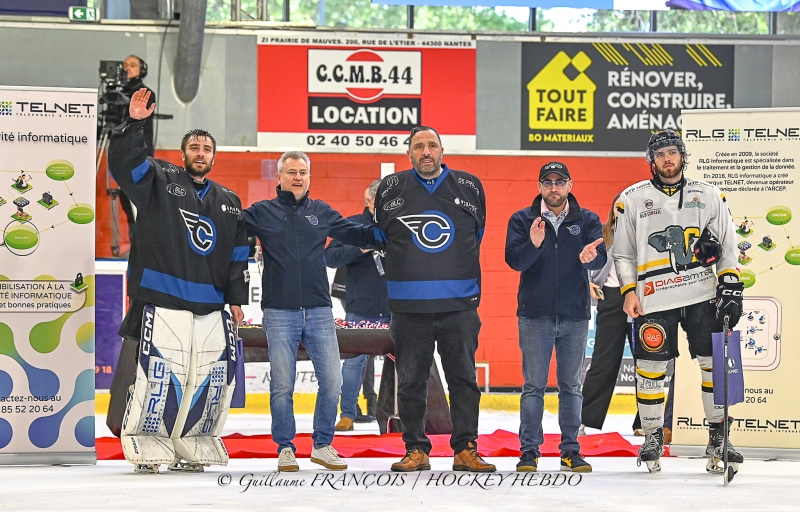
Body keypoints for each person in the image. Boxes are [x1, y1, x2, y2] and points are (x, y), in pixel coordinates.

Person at [106, 88, 249, 472]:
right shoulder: (158, 178)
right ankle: (147, 441)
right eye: (194, 147)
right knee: (158, 376)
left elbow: (239, 256)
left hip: (210, 307)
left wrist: (237, 301)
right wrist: (135, 124)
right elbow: (124, 164)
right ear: (184, 154)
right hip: (161, 299)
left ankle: (193, 441)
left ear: (214, 157)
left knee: (207, 379)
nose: (200, 153)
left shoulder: (230, 200)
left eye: (206, 148)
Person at [611, 128, 744, 474]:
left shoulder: (711, 194)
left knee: (714, 365)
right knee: (651, 370)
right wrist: (628, 291)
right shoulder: (631, 198)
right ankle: (653, 435)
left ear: (683, 155)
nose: (667, 158)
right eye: (660, 154)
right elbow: (622, 253)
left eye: (673, 152)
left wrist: (730, 283)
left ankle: (718, 435)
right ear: (651, 161)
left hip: (702, 294)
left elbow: (729, 244)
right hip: (654, 299)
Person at [244, 151, 376, 472]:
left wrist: (386, 232)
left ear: (309, 176)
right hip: (279, 311)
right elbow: (229, 226)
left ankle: (322, 444)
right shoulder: (262, 212)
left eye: (303, 172)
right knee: (282, 385)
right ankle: (285, 447)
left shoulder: (322, 212)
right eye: (291, 172)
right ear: (279, 177)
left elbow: (356, 233)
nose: (298, 177)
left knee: (332, 381)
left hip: (319, 310)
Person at [374, 126, 494, 473]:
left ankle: (465, 448)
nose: (426, 151)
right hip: (409, 309)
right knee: (410, 381)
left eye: (432, 145)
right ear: (408, 153)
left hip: (458, 306)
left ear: (442, 150)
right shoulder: (392, 188)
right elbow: (384, 237)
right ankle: (416, 449)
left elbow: (476, 235)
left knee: (464, 380)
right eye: (418, 146)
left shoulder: (469, 186)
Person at [505, 161, 606, 474]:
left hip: (575, 316)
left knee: (571, 387)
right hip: (535, 316)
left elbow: (600, 255)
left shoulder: (587, 219)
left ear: (569, 185)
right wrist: (533, 245)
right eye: (547, 182)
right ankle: (529, 451)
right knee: (533, 386)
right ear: (539, 187)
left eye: (559, 182)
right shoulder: (522, 219)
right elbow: (514, 260)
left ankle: (570, 451)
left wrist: (594, 259)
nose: (553, 188)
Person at [325, 180, 389, 431]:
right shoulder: (351, 225)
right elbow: (329, 258)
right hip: (361, 307)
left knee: (408, 364)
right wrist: (360, 248)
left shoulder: (398, 226)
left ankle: (403, 414)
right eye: (380, 200)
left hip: (397, 308)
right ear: (370, 202)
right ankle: (347, 414)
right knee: (353, 363)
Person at [118, 55, 156, 245]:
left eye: (132, 65)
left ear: (142, 69)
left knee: (138, 200)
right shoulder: (117, 93)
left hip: (139, 153)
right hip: (120, 153)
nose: (128, 69)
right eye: (125, 66)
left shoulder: (145, 93)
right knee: (124, 198)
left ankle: (142, 242)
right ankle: (135, 239)